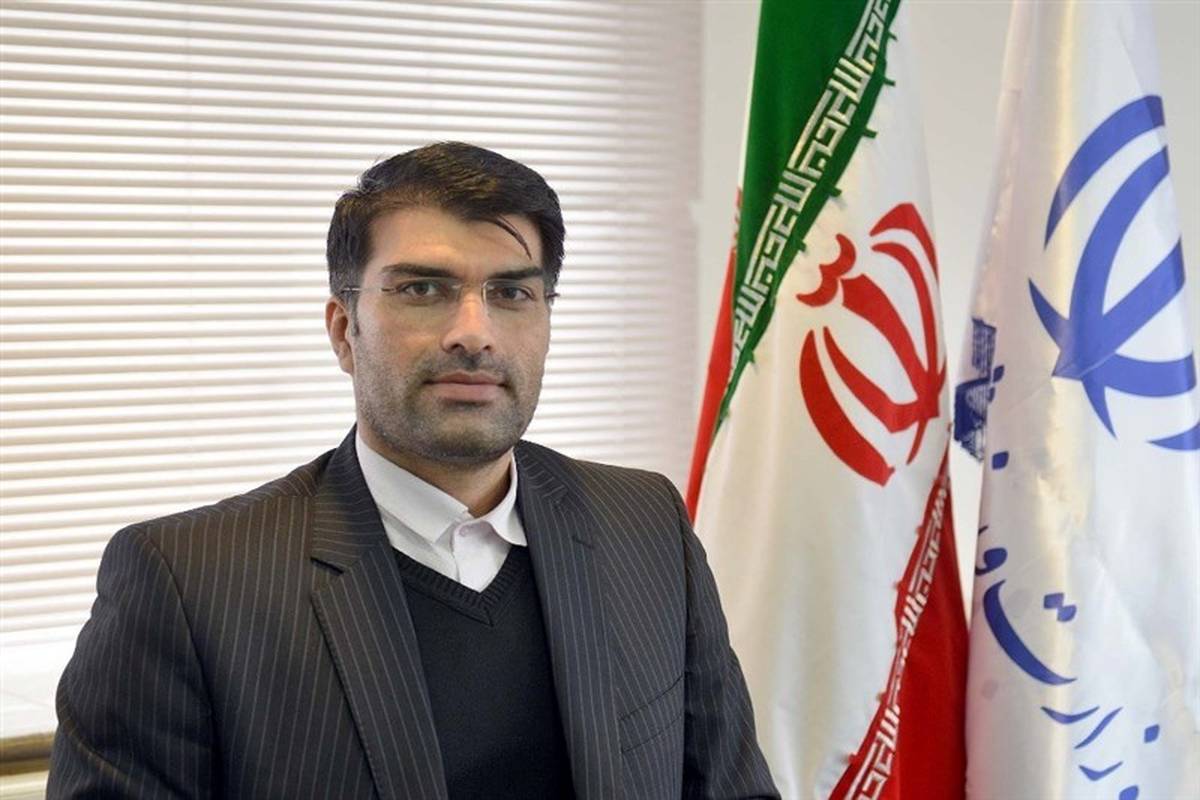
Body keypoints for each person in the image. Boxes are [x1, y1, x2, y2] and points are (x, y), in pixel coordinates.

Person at [47, 142, 779, 799]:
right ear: (345, 330)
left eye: (511, 293)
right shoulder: (187, 583)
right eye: (423, 289)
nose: (474, 333)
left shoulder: (645, 523)